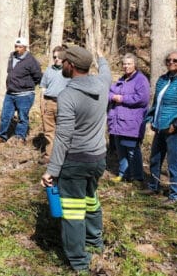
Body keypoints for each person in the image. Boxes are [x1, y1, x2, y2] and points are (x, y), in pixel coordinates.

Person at [40, 46, 111, 272]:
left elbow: (62, 138)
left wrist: (51, 170)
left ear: (71, 65)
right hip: (98, 158)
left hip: (75, 162)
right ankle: (95, 242)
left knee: (73, 212)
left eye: (64, 61)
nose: (61, 64)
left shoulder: (68, 95)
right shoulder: (102, 83)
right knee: (91, 199)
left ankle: (79, 262)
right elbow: (107, 71)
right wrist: (101, 57)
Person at [144, 49, 177, 203]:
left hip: (176, 130)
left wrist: (176, 125)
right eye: (169, 60)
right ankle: (154, 185)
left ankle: (176, 194)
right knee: (155, 158)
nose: (171, 63)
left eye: (175, 60)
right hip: (161, 126)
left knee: (173, 162)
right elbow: (157, 103)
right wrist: (153, 120)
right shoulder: (162, 79)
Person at [107, 53, 150, 183]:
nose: (126, 66)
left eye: (129, 64)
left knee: (132, 151)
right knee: (121, 151)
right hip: (117, 122)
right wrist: (113, 97)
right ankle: (123, 174)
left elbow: (143, 99)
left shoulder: (141, 80)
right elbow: (109, 92)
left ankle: (137, 177)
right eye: (124, 64)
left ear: (135, 65)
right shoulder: (121, 79)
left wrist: (122, 98)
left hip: (131, 123)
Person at [0, 37, 41, 144]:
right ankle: (2, 136)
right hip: (10, 93)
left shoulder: (31, 61)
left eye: (20, 47)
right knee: (5, 116)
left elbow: (38, 76)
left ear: (25, 48)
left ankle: (20, 137)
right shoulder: (12, 56)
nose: (17, 49)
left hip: (25, 95)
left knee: (22, 117)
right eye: (16, 46)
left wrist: (26, 85)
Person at [39, 45, 70, 164]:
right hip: (49, 102)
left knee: (64, 131)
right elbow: (43, 87)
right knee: (49, 131)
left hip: (64, 104)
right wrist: (42, 104)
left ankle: (64, 156)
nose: (56, 59)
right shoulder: (49, 70)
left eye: (59, 57)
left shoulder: (69, 71)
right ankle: (49, 155)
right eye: (54, 57)